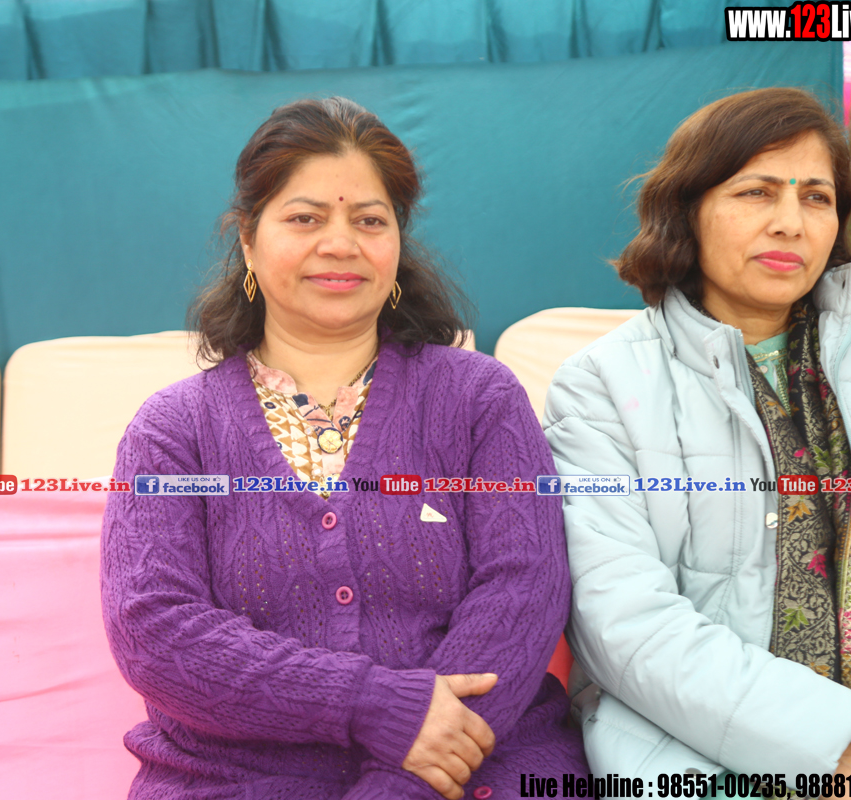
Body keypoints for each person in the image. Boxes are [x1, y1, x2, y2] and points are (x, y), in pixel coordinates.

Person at [101, 97, 587, 800]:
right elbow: (154, 629)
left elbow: (524, 590)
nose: (341, 243)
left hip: (476, 765)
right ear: (248, 240)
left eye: (369, 220)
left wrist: (404, 780)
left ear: (397, 243)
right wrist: (370, 704)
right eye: (305, 219)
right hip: (233, 778)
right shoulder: (173, 430)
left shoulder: (480, 399)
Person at [544, 86, 851, 783]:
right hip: (712, 748)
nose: (790, 223)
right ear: (687, 209)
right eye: (756, 192)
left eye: (816, 197)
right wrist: (830, 758)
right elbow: (621, 622)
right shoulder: (600, 385)